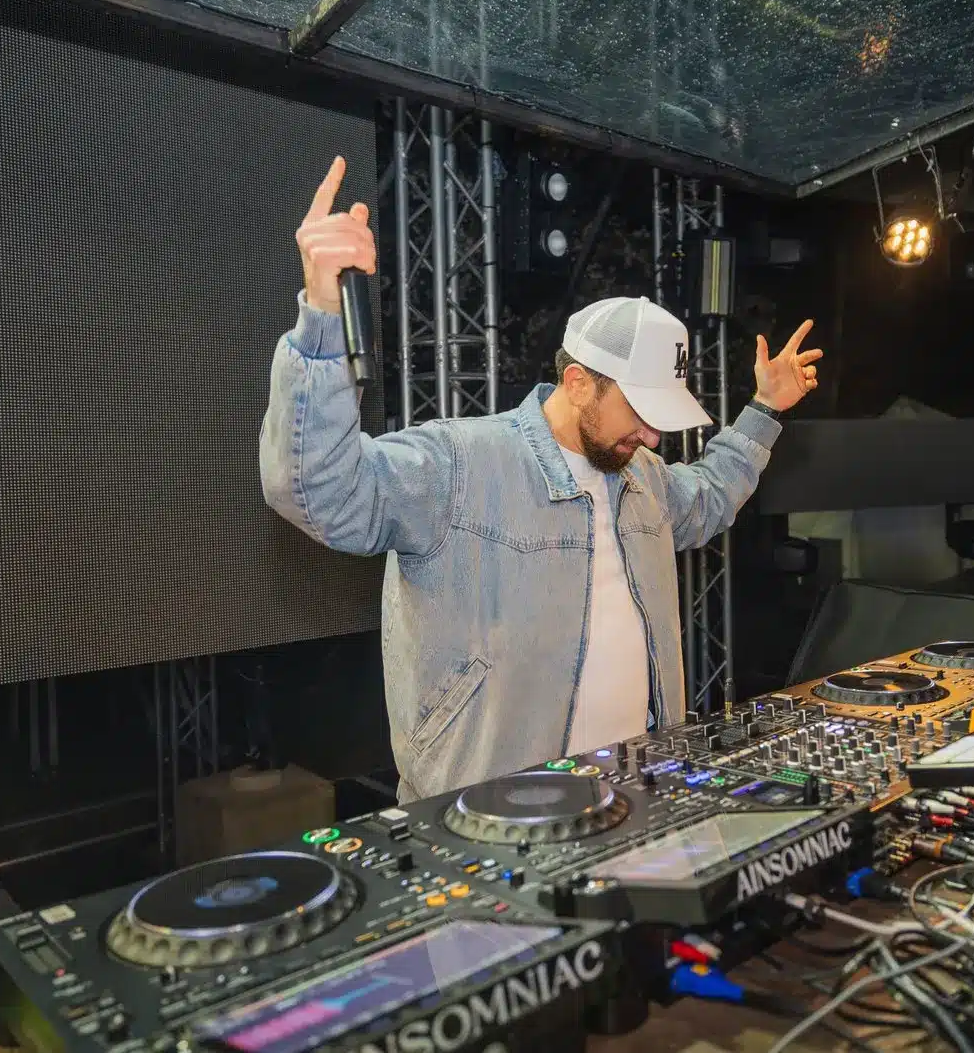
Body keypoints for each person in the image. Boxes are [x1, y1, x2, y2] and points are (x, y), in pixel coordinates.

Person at [261, 156, 825, 801]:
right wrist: (323, 315)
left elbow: (712, 497)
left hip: (636, 795)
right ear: (578, 382)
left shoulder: (641, 475)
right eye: (640, 412)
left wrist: (765, 409)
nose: (652, 437)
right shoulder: (459, 463)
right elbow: (321, 491)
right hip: (493, 816)